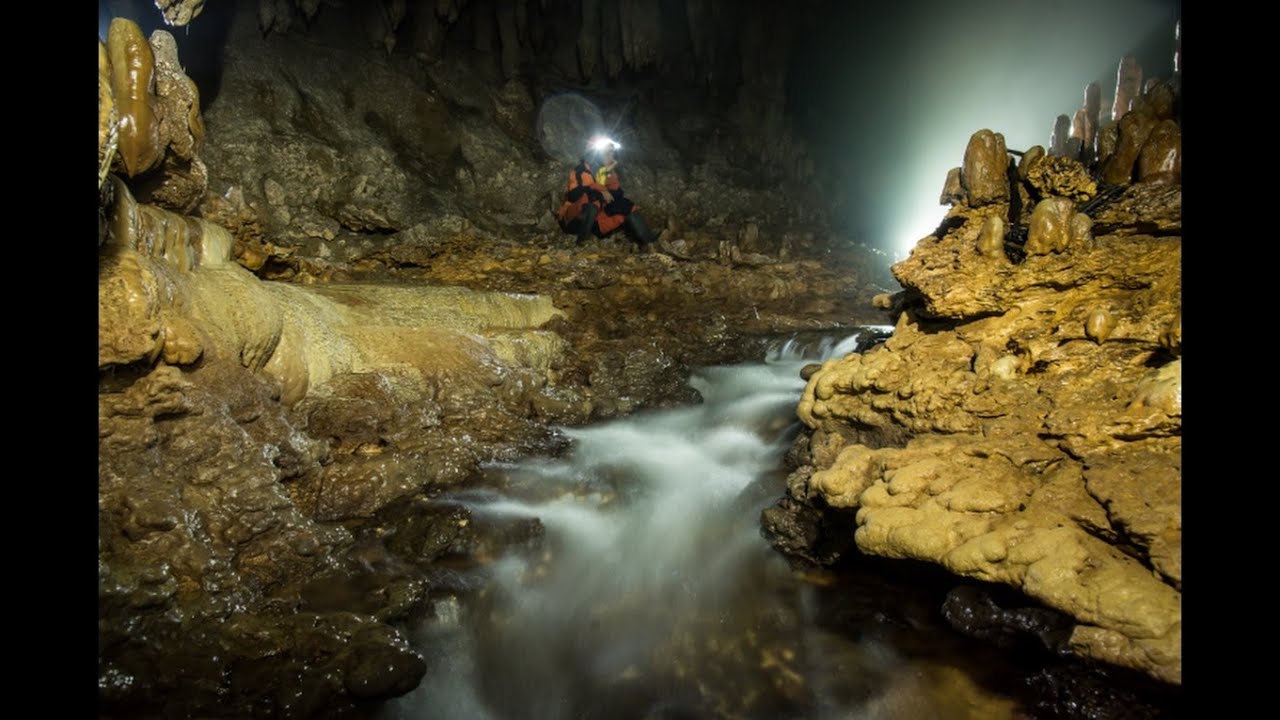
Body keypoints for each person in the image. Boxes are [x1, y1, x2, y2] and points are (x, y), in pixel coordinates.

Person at [555, 136, 659, 251]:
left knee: (624, 205)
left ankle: (650, 242)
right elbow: (575, 194)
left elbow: (617, 195)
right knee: (591, 199)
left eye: (611, 154)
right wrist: (600, 190)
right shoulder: (580, 171)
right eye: (607, 154)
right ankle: (581, 244)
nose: (610, 157)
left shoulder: (604, 173)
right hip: (573, 220)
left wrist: (609, 173)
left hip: (596, 222)